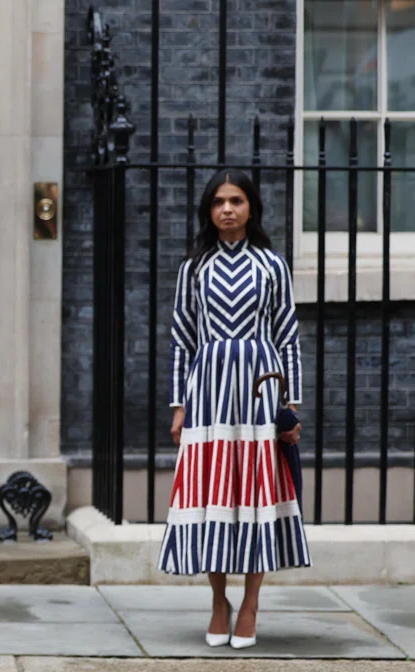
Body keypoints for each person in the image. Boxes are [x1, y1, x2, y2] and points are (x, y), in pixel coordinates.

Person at [157, 168, 310, 650]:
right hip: (207, 393)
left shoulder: (272, 265)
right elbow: (182, 338)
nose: (227, 208)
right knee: (212, 496)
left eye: (237, 200)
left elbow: (288, 334)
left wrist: (291, 405)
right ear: (209, 209)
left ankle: (251, 603)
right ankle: (219, 601)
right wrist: (178, 406)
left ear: (251, 207)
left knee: (257, 496)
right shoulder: (193, 268)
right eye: (219, 201)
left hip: (261, 391)